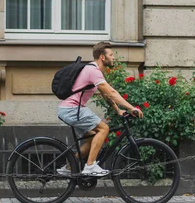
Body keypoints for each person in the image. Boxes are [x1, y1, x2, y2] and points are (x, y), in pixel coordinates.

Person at [57, 41, 143, 177]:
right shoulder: (93, 70)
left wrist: (118, 111)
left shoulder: (93, 70)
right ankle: (90, 166)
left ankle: (68, 167)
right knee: (104, 128)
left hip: (69, 109)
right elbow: (112, 92)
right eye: (111, 54)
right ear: (103, 57)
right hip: (72, 109)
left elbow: (106, 95)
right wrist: (131, 108)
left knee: (92, 138)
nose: (113, 57)